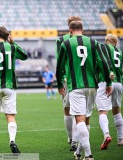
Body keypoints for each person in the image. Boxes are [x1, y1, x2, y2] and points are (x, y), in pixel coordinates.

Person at [56, 21, 113, 160]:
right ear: (83, 29)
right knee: (86, 119)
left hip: (76, 87)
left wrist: (59, 84)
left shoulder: (66, 44)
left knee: (80, 120)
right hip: (92, 86)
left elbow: (59, 67)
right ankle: (79, 152)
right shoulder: (94, 43)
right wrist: (109, 82)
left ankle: (88, 155)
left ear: (70, 30)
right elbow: (103, 63)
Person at [55, 16, 82, 151]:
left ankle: (71, 138)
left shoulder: (61, 40)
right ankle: (76, 140)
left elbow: (59, 61)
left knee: (67, 109)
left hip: (67, 79)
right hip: (82, 80)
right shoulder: (85, 41)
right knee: (79, 111)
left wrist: (61, 79)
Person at [96, 33, 123, 150]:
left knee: (103, 111)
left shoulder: (103, 48)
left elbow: (99, 64)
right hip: (118, 82)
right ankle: (121, 138)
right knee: (117, 111)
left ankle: (106, 134)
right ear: (115, 42)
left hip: (105, 82)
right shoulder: (119, 51)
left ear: (106, 41)